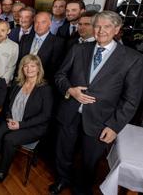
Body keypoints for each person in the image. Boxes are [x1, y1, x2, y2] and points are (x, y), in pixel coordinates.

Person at [50, 11, 143, 195]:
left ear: (117, 29)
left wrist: (114, 126)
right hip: (70, 112)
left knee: (89, 161)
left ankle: (81, 189)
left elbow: (131, 100)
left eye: (107, 26)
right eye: (98, 26)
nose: (101, 31)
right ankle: (63, 179)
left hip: (101, 120)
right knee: (63, 152)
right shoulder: (79, 49)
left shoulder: (132, 59)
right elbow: (60, 75)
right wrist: (70, 90)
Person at [0, 54, 53, 191]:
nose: (29, 69)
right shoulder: (17, 83)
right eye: (26, 66)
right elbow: (7, 105)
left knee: (9, 139)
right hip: (12, 120)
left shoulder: (45, 88)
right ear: (22, 68)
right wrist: (10, 118)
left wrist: (20, 125)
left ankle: (2, 171)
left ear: (39, 68)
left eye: (33, 66)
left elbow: (45, 115)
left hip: (32, 126)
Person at [18, 12, 65, 84]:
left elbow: (55, 68)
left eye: (43, 22)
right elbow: (20, 61)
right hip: (23, 81)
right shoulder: (25, 38)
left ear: (50, 24)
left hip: (44, 83)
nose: (39, 25)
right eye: (37, 22)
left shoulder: (58, 42)